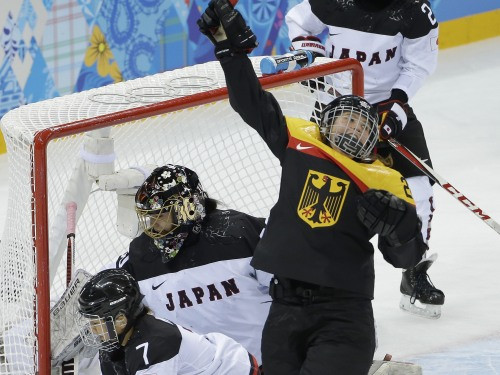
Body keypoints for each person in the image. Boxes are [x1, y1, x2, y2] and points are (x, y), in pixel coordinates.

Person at [197, 1, 427, 373]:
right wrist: (229, 50)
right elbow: (250, 101)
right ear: (326, 123)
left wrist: (399, 228)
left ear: (373, 139)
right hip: (283, 310)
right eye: (344, 120)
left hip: (343, 316)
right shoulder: (300, 143)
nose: (351, 128)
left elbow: (407, 256)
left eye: (360, 124)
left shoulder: (385, 179)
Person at [285, 0, 445, 319]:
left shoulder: (415, 10)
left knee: (420, 191)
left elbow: (418, 65)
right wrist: (313, 57)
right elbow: (298, 21)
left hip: (386, 108)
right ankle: (320, 280)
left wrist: (396, 108)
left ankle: (413, 271)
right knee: (326, 197)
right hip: (336, 113)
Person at [99, 163, 269, 373]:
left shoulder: (243, 234)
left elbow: (293, 292)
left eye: (160, 215)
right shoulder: (142, 255)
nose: (153, 225)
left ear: (186, 207)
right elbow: (101, 291)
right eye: (149, 216)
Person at [76, 268, 261, 374]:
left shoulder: (154, 346)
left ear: (121, 320)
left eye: (95, 323)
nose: (93, 331)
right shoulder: (114, 344)